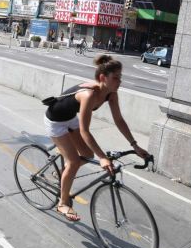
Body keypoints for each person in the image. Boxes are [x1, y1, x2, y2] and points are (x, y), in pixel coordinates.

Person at [43, 55, 148, 222]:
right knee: (74, 162)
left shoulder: (111, 94)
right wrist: (103, 158)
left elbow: (119, 120)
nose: (119, 81)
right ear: (102, 78)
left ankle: (62, 174)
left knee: (87, 155)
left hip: (70, 118)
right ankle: (62, 203)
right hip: (55, 121)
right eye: (115, 78)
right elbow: (85, 131)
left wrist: (135, 145)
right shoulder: (89, 95)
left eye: (120, 77)